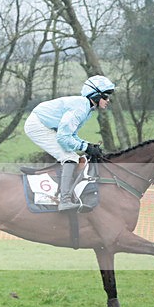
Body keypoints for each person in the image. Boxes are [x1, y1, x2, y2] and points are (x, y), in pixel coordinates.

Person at [24, 75, 115, 211]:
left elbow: (71, 135)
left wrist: (88, 145)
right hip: (38, 125)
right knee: (70, 157)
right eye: (105, 96)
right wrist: (86, 147)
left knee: (72, 156)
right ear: (95, 95)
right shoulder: (81, 108)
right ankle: (64, 200)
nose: (108, 100)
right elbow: (63, 138)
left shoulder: (86, 108)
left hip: (43, 124)